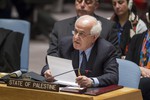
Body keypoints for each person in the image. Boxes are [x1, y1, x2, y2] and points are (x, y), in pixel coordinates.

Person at [42, 15, 119, 88]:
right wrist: (48, 71)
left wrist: (92, 81)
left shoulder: (106, 49)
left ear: (94, 37)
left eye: (81, 34)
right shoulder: (66, 44)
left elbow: (112, 76)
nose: (76, 37)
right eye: (75, 31)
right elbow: (51, 64)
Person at [47, 0, 121, 58]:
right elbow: (52, 54)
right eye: (79, 1)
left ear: (96, 5)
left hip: (93, 73)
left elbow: (114, 57)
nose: (82, 5)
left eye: (88, 2)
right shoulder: (60, 26)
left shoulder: (108, 27)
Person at [126, 8, 150, 100]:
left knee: (144, 83)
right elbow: (128, 65)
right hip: (136, 77)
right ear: (148, 17)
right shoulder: (137, 39)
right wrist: (138, 69)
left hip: (142, 84)